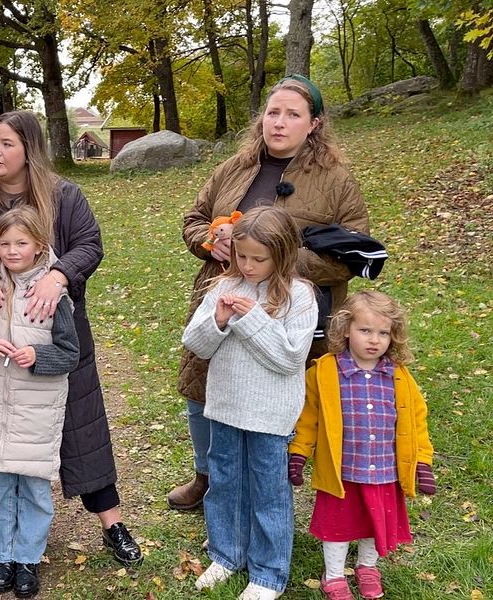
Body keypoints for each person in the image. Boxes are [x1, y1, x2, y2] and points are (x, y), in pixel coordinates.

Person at [0, 110, 142, 569]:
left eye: (6, 143)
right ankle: (7, 543)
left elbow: (90, 243)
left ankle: (113, 523)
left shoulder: (64, 197)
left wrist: (61, 275)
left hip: (53, 339)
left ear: (29, 148)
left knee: (80, 428)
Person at [169, 74, 370, 511]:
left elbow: (354, 253)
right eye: (272, 112)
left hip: (290, 310)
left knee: (274, 392)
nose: (278, 122)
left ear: (314, 123)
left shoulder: (335, 180)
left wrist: (274, 261)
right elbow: (194, 217)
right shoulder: (235, 168)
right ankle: (207, 476)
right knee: (204, 384)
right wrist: (210, 239)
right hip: (223, 298)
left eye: (292, 114)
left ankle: (269, 481)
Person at [183, 206, 318, 600]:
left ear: (282, 255)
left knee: (268, 492)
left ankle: (269, 572)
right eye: (242, 256)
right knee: (223, 483)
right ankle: (227, 554)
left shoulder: (299, 296)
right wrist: (220, 321)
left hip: (271, 416)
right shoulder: (223, 287)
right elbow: (197, 344)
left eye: (259, 259)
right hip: (225, 407)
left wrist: (253, 318)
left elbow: (290, 358)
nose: (248, 265)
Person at [0, 206, 80, 596]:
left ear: (39, 247)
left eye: (21, 243)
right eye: (4, 243)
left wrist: (38, 357)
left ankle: (28, 558)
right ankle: (2, 557)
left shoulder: (53, 297)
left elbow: (70, 353)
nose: (11, 250)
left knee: (36, 492)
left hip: (36, 414)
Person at [288, 291, 436, 600]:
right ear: (345, 329)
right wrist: (299, 454)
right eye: (365, 330)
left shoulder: (399, 376)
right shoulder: (324, 372)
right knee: (338, 526)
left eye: (383, 333)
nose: (375, 340)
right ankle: (333, 576)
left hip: (385, 469)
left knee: (374, 523)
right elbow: (308, 418)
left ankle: (368, 567)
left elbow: (416, 421)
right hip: (342, 470)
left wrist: (422, 462)